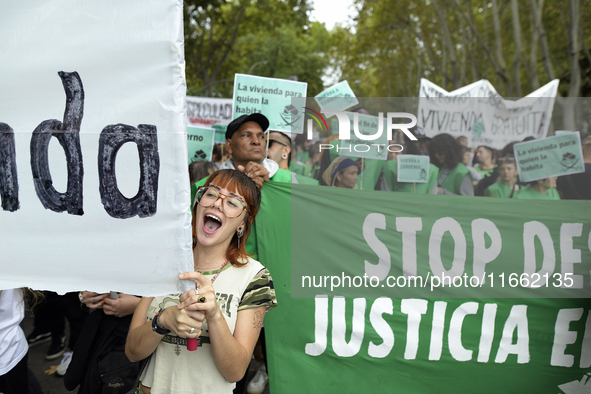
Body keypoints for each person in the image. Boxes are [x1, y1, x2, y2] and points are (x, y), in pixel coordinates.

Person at [126, 169, 277, 394]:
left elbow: (235, 371)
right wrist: (163, 320)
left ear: (243, 224)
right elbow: (132, 351)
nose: (217, 204)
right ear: (197, 203)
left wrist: (215, 315)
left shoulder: (255, 276)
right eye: (211, 194)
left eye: (233, 203)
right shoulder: (164, 262)